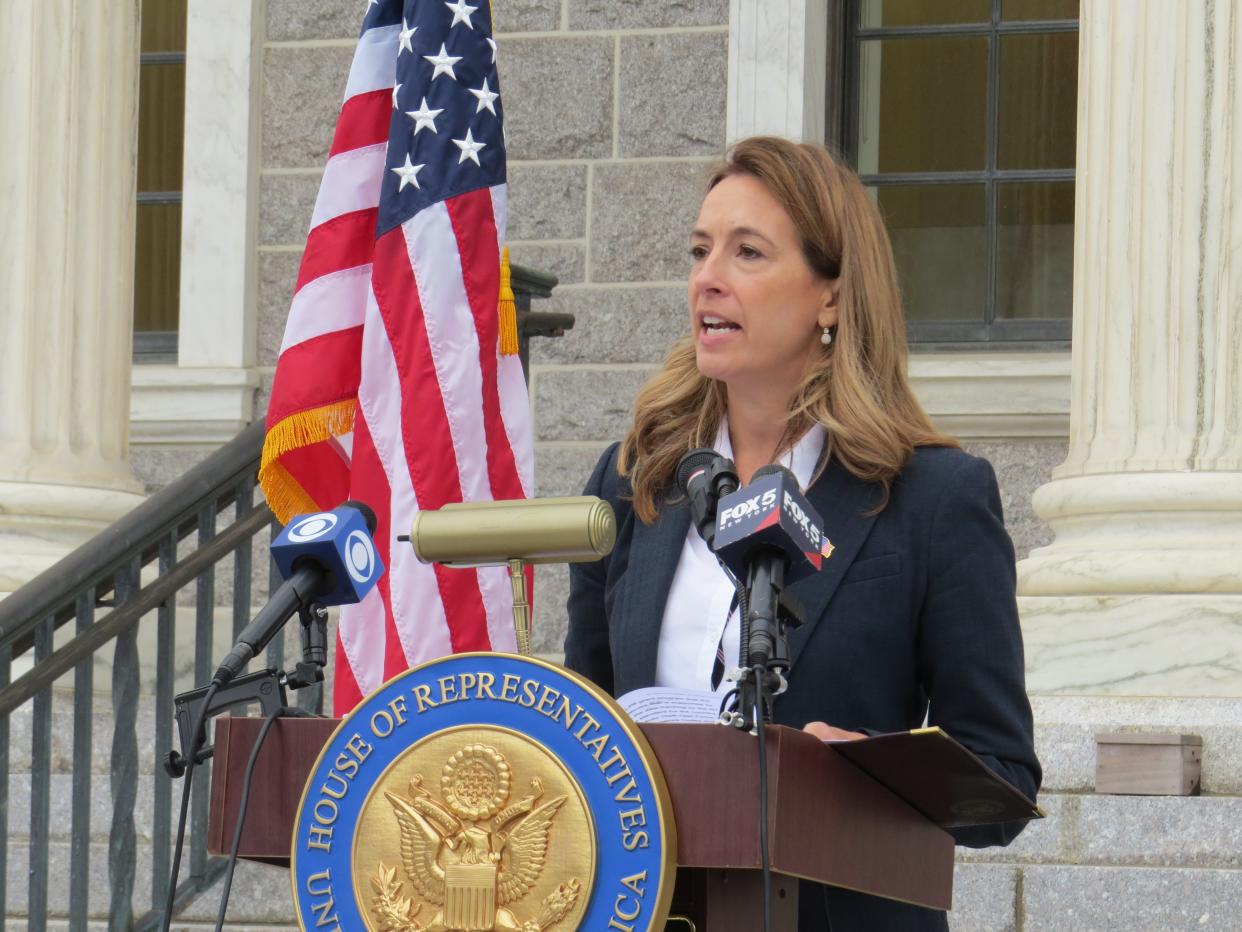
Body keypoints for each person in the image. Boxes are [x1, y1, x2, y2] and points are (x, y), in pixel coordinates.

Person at [563, 136, 1041, 931]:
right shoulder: (633, 483)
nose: (708, 276)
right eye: (700, 250)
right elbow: (586, 729)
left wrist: (857, 775)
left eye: (748, 252)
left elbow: (1002, 781)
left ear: (830, 297)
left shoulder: (932, 499)